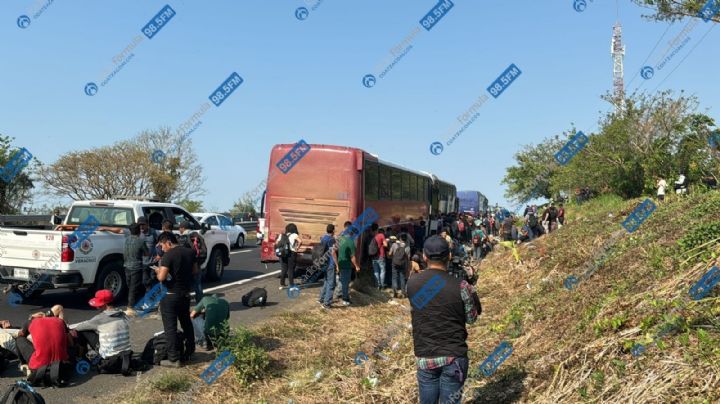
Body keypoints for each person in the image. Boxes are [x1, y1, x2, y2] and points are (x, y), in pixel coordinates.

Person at [406, 236, 481, 404]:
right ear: (449, 256)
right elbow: (471, 319)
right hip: (454, 357)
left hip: (425, 355)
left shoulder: (412, 284)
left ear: (424, 257)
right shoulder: (461, 286)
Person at [155, 232, 195, 367]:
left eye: (162, 245)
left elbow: (161, 277)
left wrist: (158, 271)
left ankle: (173, 358)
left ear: (169, 242)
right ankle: (190, 351)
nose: (162, 248)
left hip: (170, 296)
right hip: (185, 294)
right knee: (186, 323)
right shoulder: (190, 252)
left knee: (170, 327)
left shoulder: (168, 256)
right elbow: (195, 270)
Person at [71, 290, 132, 371]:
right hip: (126, 355)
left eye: (99, 305)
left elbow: (79, 328)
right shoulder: (122, 314)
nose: (97, 307)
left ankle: (82, 357)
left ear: (105, 304)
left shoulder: (99, 318)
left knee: (83, 331)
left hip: (109, 358)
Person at [14, 311, 71, 385]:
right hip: (61, 364)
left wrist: (31, 318)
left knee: (19, 339)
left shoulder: (30, 322)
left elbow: (21, 334)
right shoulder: (60, 321)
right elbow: (69, 339)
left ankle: (23, 364)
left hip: (39, 367)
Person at [333, 221, 361, 307]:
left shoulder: (340, 239)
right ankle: (345, 299)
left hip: (340, 263)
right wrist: (356, 266)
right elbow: (353, 257)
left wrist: (337, 264)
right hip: (346, 265)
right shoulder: (350, 241)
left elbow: (333, 251)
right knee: (345, 283)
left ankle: (338, 294)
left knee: (341, 280)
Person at [124, 223, 148, 316]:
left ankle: (133, 304)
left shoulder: (126, 240)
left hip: (126, 266)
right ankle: (130, 307)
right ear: (138, 230)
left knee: (130, 286)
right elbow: (147, 253)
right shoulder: (141, 241)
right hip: (136, 267)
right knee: (134, 287)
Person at [178, 221, 204, 304]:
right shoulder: (197, 236)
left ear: (183, 228)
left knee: (186, 286)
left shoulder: (182, 238)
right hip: (197, 263)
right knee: (198, 284)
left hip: (186, 266)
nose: (179, 230)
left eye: (180, 228)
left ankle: (185, 303)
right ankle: (200, 304)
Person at [318, 224, 338, 307]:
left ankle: (321, 298)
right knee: (332, 283)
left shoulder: (323, 238)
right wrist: (337, 265)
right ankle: (327, 303)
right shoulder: (331, 239)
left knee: (326, 281)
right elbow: (333, 252)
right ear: (333, 230)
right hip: (330, 263)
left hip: (323, 263)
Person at [278, 223, 301, 289]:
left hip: (283, 253)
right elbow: (300, 241)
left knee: (284, 269)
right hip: (291, 253)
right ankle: (291, 284)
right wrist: (297, 248)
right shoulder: (294, 235)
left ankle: (282, 284)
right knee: (290, 269)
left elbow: (277, 243)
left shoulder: (282, 235)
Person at [389, 233, 411, 299]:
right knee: (402, 278)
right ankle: (403, 293)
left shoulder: (394, 244)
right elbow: (408, 258)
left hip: (395, 263)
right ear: (406, 239)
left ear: (400, 239)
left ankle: (395, 292)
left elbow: (390, 253)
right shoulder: (407, 247)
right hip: (403, 264)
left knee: (394, 277)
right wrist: (407, 267)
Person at [370, 224, 388, 290]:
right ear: (377, 229)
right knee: (382, 271)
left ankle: (377, 285)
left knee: (376, 271)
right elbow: (385, 245)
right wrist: (383, 243)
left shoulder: (371, 236)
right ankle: (382, 285)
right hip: (381, 255)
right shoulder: (381, 235)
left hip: (373, 256)